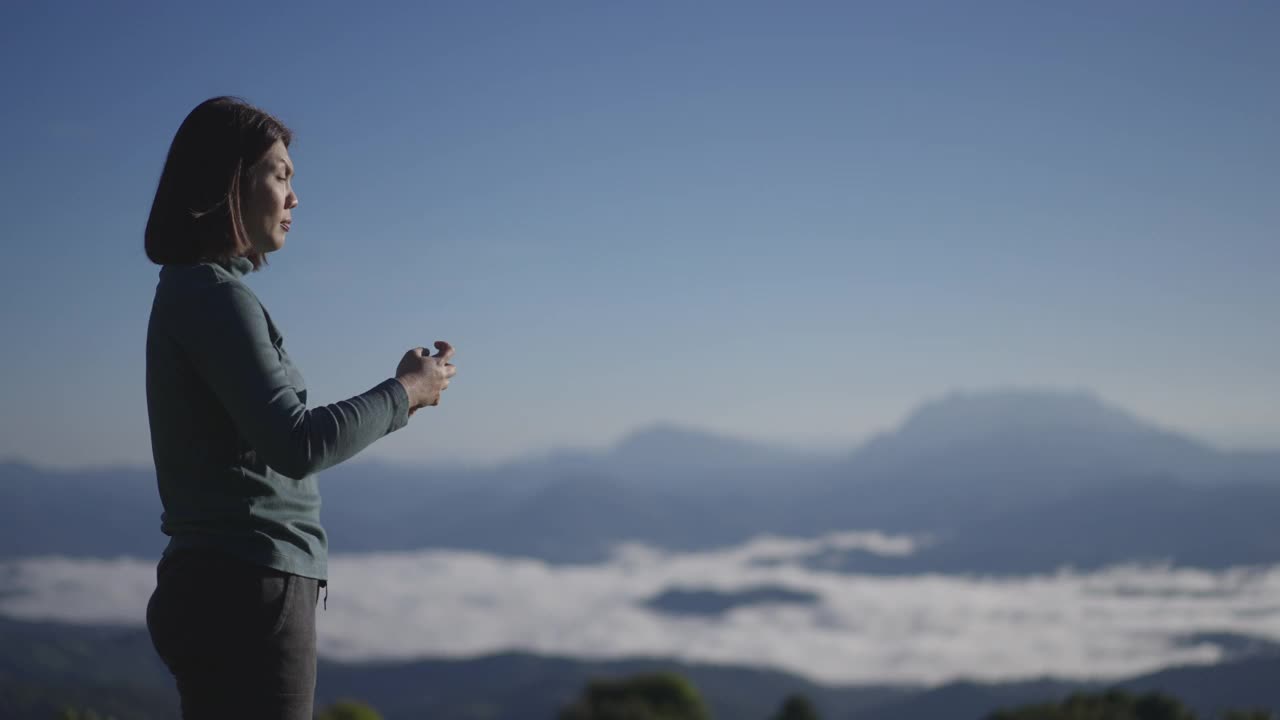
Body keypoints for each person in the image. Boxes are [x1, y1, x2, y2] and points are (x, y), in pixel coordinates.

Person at [141, 96, 456, 719]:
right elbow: (297, 443)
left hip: (218, 583)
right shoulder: (215, 298)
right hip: (248, 586)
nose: (294, 196)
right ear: (232, 182)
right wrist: (405, 393)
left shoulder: (195, 293)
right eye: (280, 174)